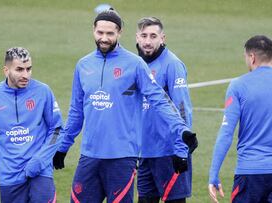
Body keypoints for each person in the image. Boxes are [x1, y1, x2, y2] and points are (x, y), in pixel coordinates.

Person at [53, 9, 198, 203]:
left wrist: (182, 131)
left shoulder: (135, 64)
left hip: (122, 158)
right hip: (89, 156)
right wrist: (63, 146)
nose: (104, 38)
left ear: (119, 33)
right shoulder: (83, 65)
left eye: (110, 33)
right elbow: (76, 112)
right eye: (100, 33)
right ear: (93, 31)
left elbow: (160, 99)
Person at [0, 47, 64, 202]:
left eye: (28, 69)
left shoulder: (43, 91)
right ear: (6, 70)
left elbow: (57, 129)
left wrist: (39, 160)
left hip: (40, 173)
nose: (26, 75)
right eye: (19, 70)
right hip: (9, 177)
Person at [135, 17, 194, 203]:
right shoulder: (137, 64)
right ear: (137, 37)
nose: (147, 41)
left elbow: (183, 109)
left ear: (163, 38)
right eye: (143, 35)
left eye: (153, 36)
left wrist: (181, 150)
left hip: (169, 152)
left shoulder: (172, 65)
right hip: (144, 153)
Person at [208, 35, 272, 203]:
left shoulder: (239, 85)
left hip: (250, 174)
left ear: (252, 57)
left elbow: (226, 133)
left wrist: (213, 174)